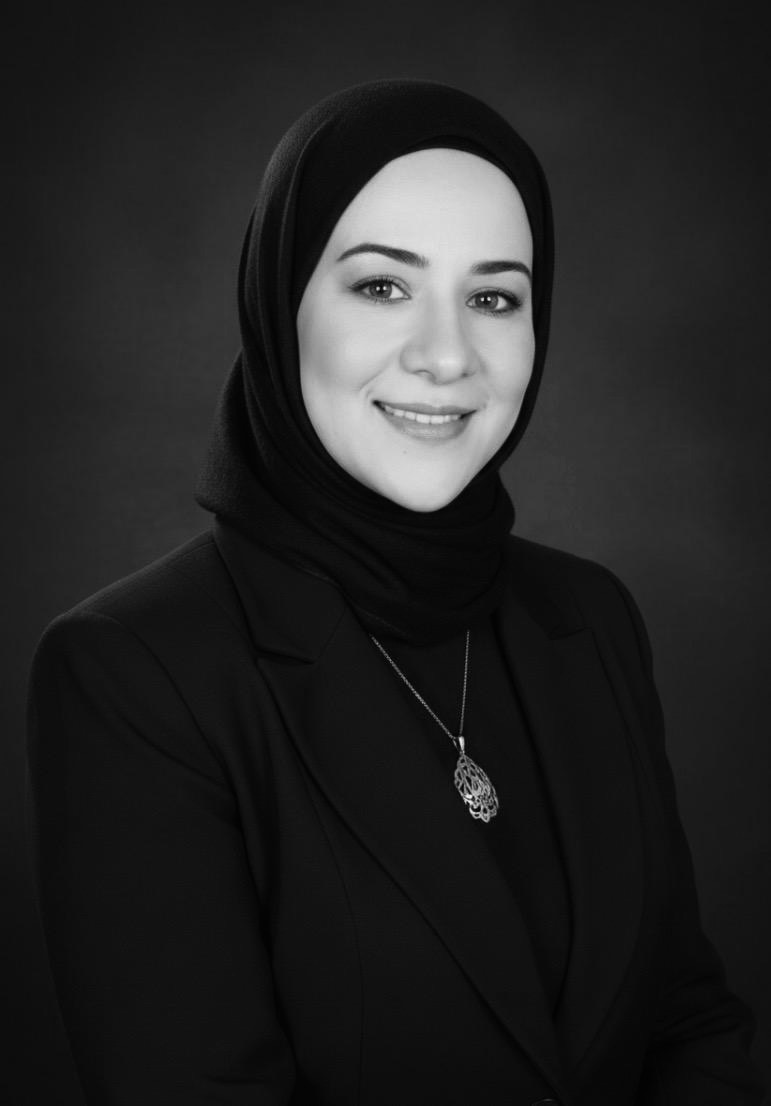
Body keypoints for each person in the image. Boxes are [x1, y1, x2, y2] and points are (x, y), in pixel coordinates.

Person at [26, 79, 764, 1106]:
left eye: (493, 298)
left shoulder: (590, 618)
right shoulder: (134, 673)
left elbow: (687, 1024)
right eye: (381, 286)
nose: (447, 356)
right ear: (278, 302)